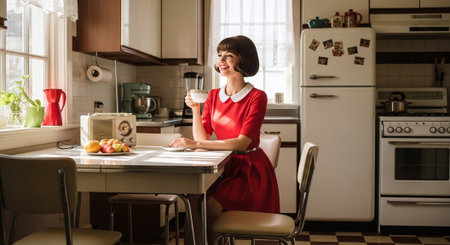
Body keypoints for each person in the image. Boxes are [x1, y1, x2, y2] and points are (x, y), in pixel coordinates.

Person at [170, 35, 280, 244]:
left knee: (210, 206)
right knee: (194, 199)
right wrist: (195, 110)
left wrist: (196, 145)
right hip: (224, 166)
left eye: (229, 55)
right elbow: (202, 135)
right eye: (220, 55)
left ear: (244, 60)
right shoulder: (212, 95)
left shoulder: (257, 96)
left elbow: (242, 143)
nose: (221, 61)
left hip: (248, 170)